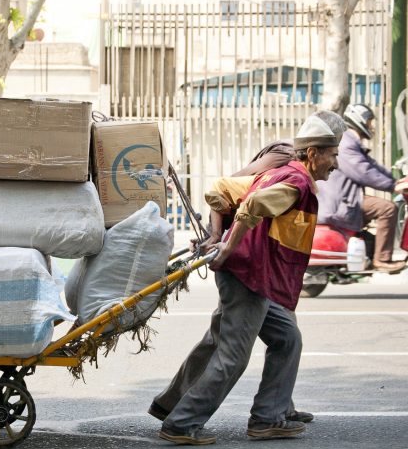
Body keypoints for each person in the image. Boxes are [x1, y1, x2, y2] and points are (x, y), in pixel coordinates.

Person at [148, 110, 348, 429]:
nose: (336, 164)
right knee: (233, 355)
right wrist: (226, 245)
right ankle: (182, 423)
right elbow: (252, 206)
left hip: (252, 276)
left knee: (286, 338)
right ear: (313, 153)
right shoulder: (296, 181)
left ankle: (268, 414)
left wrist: (220, 237)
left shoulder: (281, 173)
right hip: (248, 275)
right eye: (333, 155)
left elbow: (218, 192)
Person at [317, 104, 404, 272]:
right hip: (341, 202)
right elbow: (363, 172)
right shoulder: (346, 143)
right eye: (370, 122)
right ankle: (382, 259)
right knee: (387, 208)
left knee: (381, 208)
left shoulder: (351, 141)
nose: (371, 126)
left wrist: (398, 181)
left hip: (347, 197)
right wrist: (393, 186)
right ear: (360, 120)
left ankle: (370, 253)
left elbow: (372, 166)